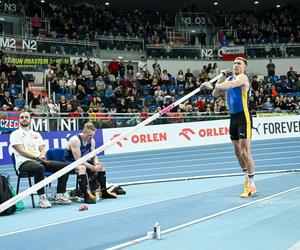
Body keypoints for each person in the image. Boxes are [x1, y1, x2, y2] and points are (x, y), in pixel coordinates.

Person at [201, 57, 256, 198]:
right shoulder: (229, 78)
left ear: (244, 68)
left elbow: (230, 86)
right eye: (234, 63)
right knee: (237, 152)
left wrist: (212, 85)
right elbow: (215, 94)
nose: (236, 65)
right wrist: (218, 80)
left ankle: (251, 181)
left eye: (239, 64)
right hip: (233, 118)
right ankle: (245, 177)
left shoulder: (242, 78)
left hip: (244, 117)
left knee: (244, 151)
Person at [9, 111, 71, 208]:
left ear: (30, 120)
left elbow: (42, 148)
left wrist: (42, 156)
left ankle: (60, 195)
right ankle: (42, 198)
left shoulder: (36, 134)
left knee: (65, 166)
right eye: (22, 117)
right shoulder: (15, 134)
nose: (24, 119)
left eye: (26, 117)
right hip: (24, 162)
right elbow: (21, 151)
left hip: (39, 160)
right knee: (39, 168)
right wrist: (36, 158)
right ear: (19, 120)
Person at [64, 122, 117, 204]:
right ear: (84, 132)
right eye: (89, 135)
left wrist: (96, 163)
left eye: (93, 135)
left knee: (101, 165)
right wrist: (92, 167)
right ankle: (86, 196)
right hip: (69, 162)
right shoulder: (75, 140)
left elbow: (93, 155)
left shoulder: (91, 140)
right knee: (82, 168)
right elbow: (78, 159)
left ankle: (104, 192)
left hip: (79, 161)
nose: (91, 137)